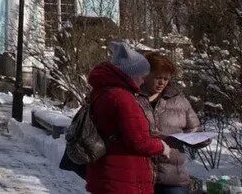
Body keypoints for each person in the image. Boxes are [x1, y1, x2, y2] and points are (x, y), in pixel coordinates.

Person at [86, 42, 172, 194]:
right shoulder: (123, 98)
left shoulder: (102, 92)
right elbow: (138, 141)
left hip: (107, 172)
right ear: (131, 74)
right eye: (142, 75)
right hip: (124, 178)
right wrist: (162, 147)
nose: (143, 80)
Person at [138, 52, 200, 194]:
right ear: (146, 76)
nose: (162, 83)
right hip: (140, 174)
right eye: (158, 78)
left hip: (173, 177)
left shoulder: (180, 101)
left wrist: (198, 137)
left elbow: (196, 129)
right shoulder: (133, 98)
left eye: (166, 79)